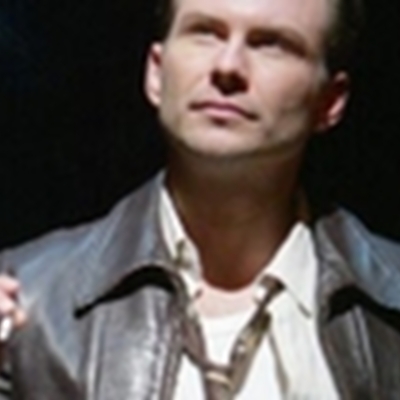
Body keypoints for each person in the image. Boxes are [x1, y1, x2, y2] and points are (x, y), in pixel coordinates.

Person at [0, 0, 400, 398]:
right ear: (156, 73)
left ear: (330, 100)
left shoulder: (388, 305)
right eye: (205, 33)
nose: (227, 66)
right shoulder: (29, 299)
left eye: (270, 44)